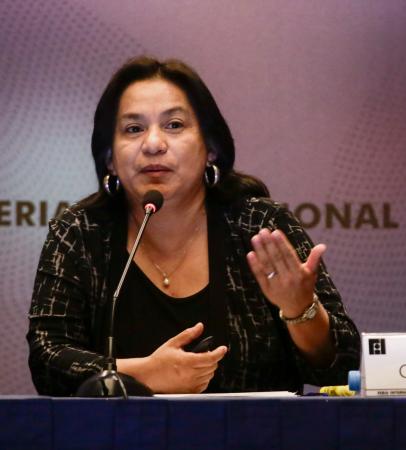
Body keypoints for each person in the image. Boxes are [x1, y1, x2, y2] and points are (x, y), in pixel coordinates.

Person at [27, 56, 360, 396]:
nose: (153, 144)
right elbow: (47, 360)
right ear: (110, 158)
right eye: (133, 129)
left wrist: (301, 310)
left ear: (210, 148)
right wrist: (142, 374)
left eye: (174, 125)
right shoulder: (80, 233)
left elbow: (342, 363)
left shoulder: (260, 226)